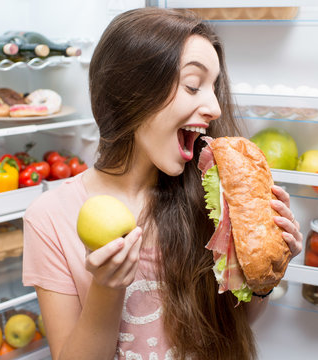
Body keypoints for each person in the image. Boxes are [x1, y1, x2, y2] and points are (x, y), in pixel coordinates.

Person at [23, 7, 303, 360]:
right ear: (130, 89)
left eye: (214, 87)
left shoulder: (209, 196)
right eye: (192, 85)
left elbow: (236, 322)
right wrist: (106, 289)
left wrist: (263, 281)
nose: (215, 108)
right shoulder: (50, 218)